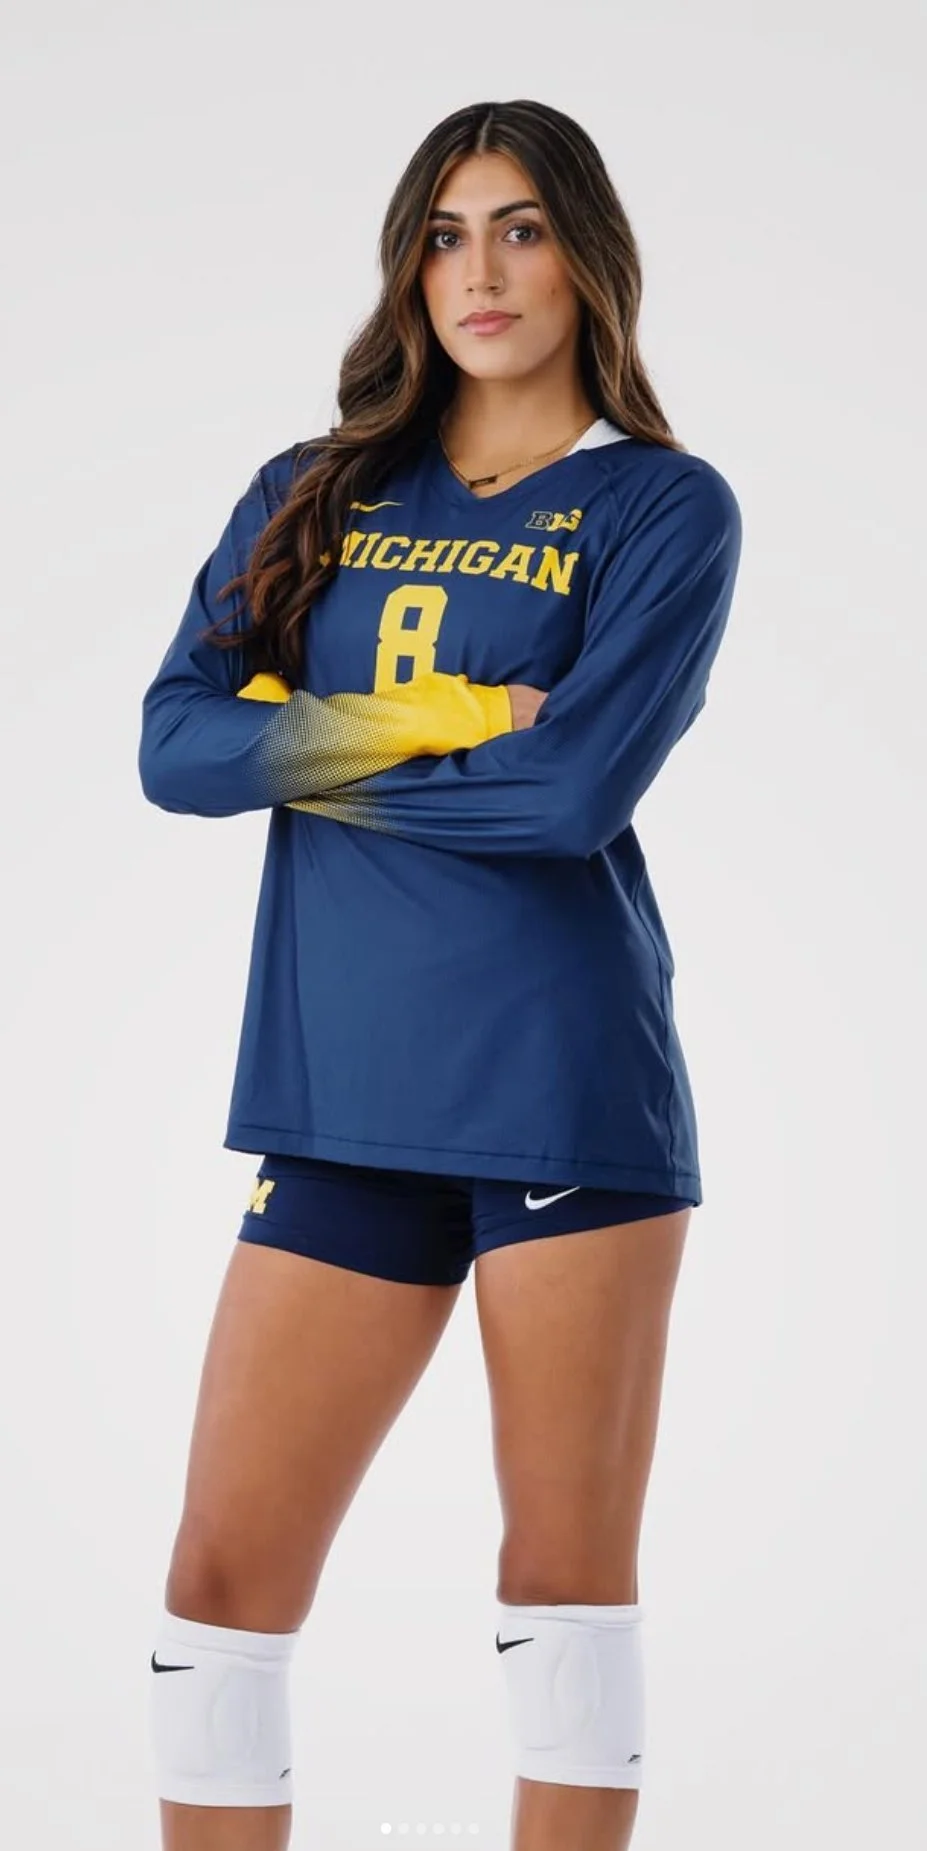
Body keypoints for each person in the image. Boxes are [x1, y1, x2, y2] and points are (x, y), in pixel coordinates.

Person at [138, 96, 742, 1851]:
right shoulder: (312, 492)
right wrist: (449, 718)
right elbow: (175, 749)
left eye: (524, 226)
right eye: (446, 231)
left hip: (563, 1082)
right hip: (340, 1089)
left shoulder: (659, 507)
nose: (480, 270)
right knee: (219, 1592)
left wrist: (304, 744)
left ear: (587, 257)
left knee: (558, 1584)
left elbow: (569, 802)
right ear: (409, 265)